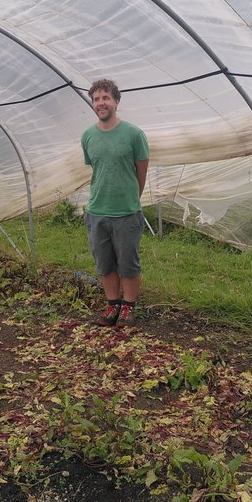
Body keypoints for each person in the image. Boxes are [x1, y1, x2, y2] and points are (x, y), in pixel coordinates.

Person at [81, 79, 149, 328]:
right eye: (96, 99)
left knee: (128, 262)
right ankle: (112, 304)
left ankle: (128, 307)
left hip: (126, 212)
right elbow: (97, 169)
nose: (101, 103)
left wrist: (132, 198)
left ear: (116, 102)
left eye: (105, 98)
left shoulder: (134, 134)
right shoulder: (88, 136)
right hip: (97, 210)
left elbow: (141, 172)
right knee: (104, 262)